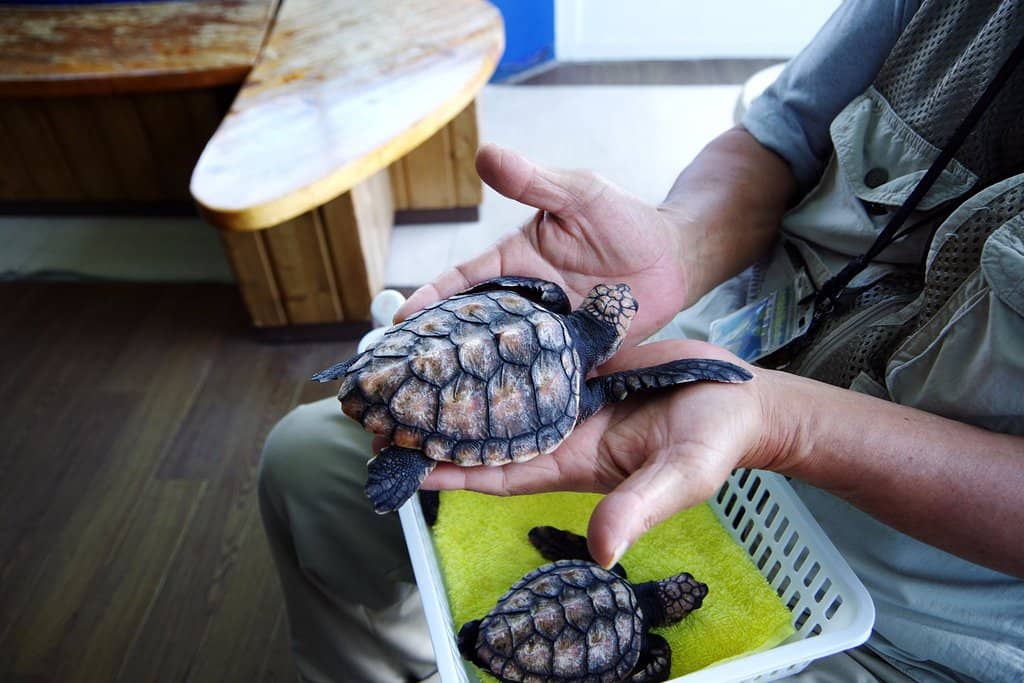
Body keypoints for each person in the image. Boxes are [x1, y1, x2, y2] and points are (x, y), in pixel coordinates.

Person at [257, 1, 1024, 681]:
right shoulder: (582, 341)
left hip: (906, 614)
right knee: (302, 461)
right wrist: (680, 240)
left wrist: (781, 421)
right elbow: (780, 135)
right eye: (612, 310)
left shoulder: (580, 348)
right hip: (731, 356)